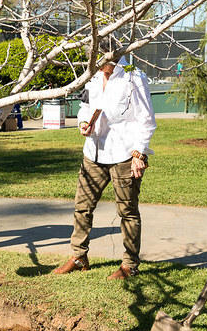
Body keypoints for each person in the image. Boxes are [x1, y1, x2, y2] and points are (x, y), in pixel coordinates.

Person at [53, 55, 156, 279]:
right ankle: (79, 256)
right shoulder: (92, 77)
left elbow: (147, 120)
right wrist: (83, 123)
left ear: (116, 54)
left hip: (124, 155)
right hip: (93, 153)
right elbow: (84, 106)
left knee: (127, 212)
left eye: (102, 53)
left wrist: (139, 154)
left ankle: (130, 264)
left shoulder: (134, 78)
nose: (97, 58)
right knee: (82, 207)